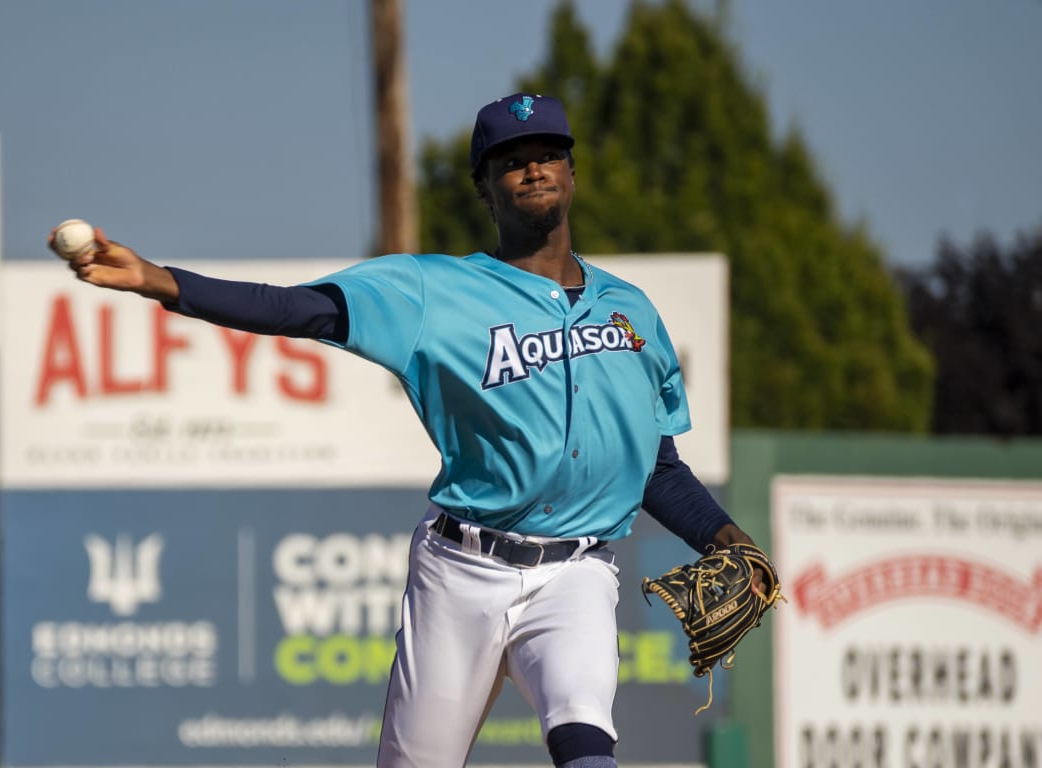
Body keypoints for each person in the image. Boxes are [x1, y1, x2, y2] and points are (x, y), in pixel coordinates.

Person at [49, 92, 767, 768]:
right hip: (462, 572)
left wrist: (726, 539)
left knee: (585, 739)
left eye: (548, 152)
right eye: (512, 160)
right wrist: (159, 280)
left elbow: (654, 465)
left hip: (578, 574)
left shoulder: (631, 311)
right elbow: (294, 310)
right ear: (484, 189)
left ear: (572, 172)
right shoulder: (431, 291)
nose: (533, 168)